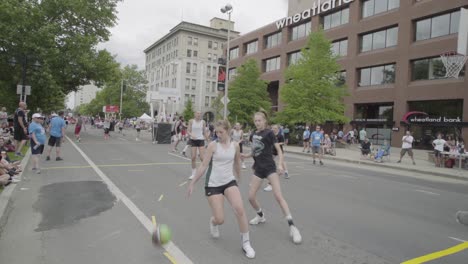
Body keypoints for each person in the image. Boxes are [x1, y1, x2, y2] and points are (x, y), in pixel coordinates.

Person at [187, 120, 255, 259]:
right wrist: (193, 182)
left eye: (221, 132)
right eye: (216, 132)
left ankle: (246, 243)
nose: (218, 134)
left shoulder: (235, 145)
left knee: (240, 209)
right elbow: (203, 165)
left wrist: (239, 178)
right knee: (220, 219)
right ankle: (213, 222)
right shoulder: (213, 145)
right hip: (213, 184)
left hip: (229, 181)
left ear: (228, 131)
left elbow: (237, 162)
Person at [241, 111, 302, 245]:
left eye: (259, 120)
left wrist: (280, 164)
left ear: (265, 121)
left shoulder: (269, 133)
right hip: (258, 168)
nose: (257, 123)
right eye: (255, 120)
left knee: (278, 196)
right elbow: (255, 150)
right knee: (251, 197)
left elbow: (279, 151)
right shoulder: (254, 134)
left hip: (269, 168)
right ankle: (260, 216)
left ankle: (292, 226)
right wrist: (246, 156)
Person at [264, 124, 290, 192]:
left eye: (275, 128)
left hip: (279, 150)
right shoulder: (271, 134)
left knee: (282, 161)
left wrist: (278, 144)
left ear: (278, 129)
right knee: (270, 161)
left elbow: (283, 142)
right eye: (273, 128)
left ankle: (286, 172)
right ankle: (270, 175)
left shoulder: (280, 135)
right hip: (273, 150)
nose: (273, 129)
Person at [187, 111, 208, 180]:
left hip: (201, 140)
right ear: (195, 114)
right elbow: (188, 131)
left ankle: (207, 172)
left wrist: (207, 139)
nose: (199, 115)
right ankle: (193, 173)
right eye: (197, 113)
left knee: (202, 158)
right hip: (193, 140)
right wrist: (191, 134)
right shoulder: (191, 121)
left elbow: (204, 131)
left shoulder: (203, 122)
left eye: (200, 114)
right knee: (193, 157)